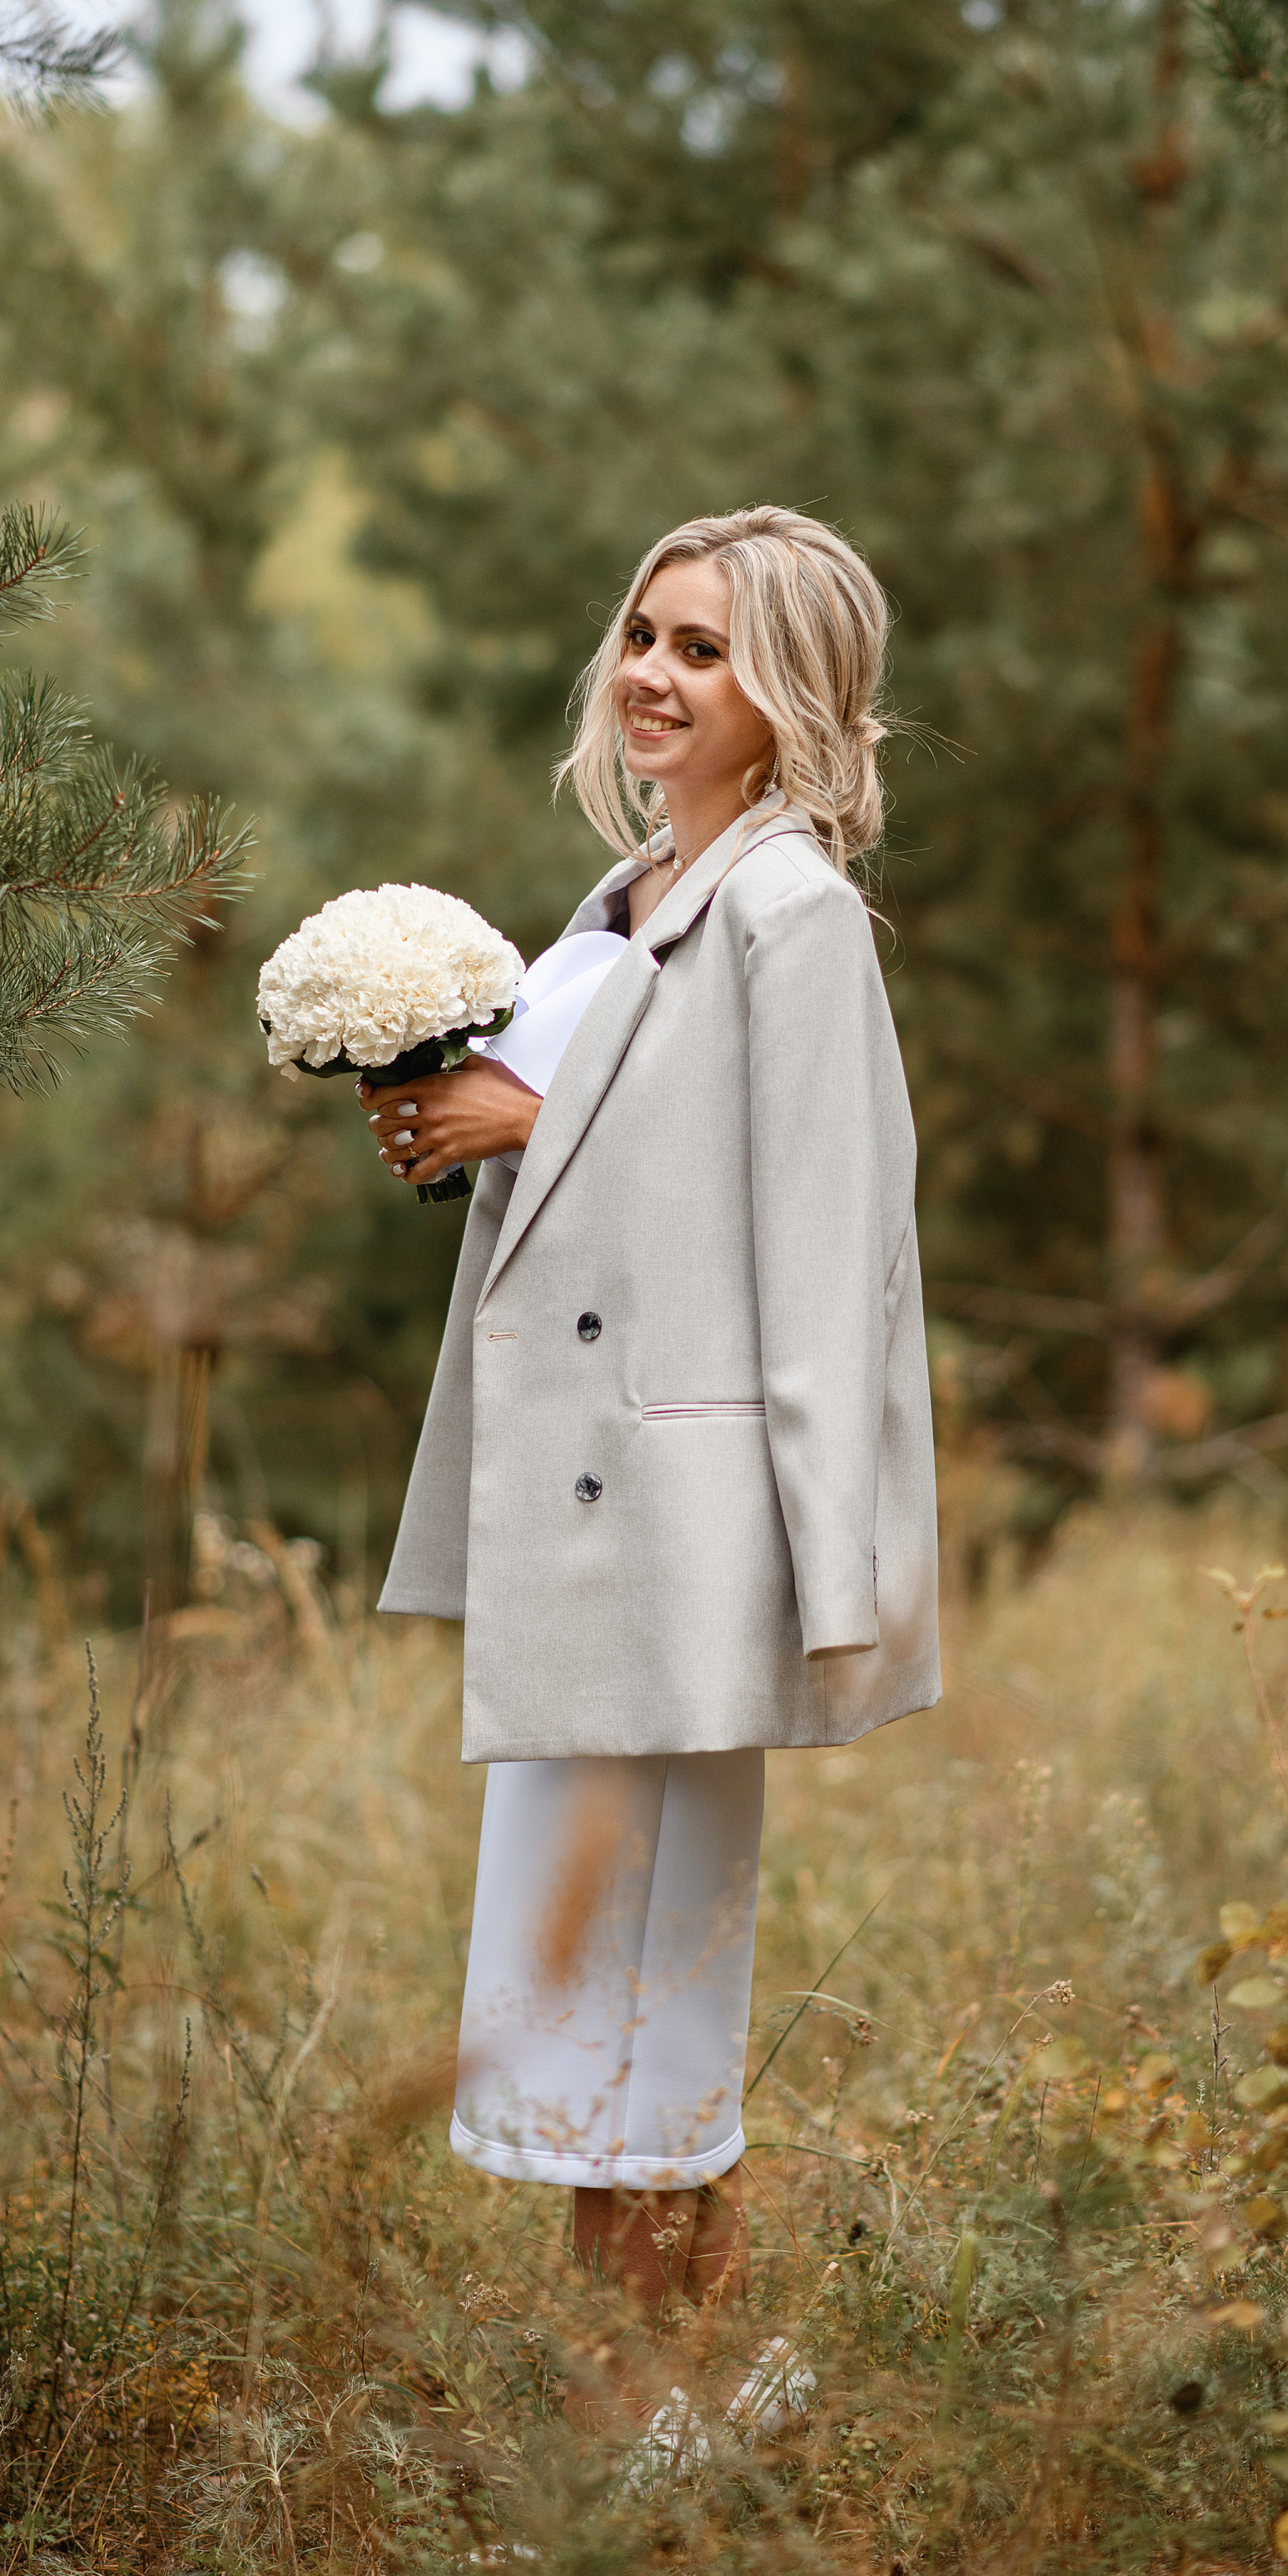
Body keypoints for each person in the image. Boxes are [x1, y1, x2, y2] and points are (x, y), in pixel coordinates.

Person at [362, 505, 940, 2327]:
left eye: (705, 651)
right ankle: (682, 2392)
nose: (653, 677)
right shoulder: (618, 907)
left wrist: (824, 1569)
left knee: (646, 1973)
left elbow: (825, 1226)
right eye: (644, 636)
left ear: (793, 695)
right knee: (581, 1970)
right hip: (577, 1519)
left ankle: (661, 2397)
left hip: (683, 1526)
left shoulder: (792, 910)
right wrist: (460, 1116)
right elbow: (618, 1187)